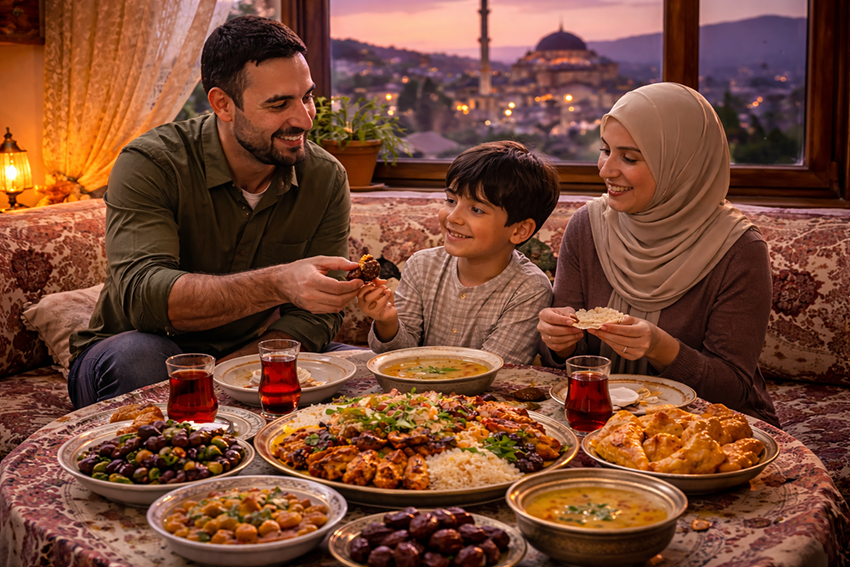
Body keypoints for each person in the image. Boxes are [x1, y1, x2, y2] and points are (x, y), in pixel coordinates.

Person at [67, 16, 364, 409]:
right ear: (223, 104)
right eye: (279, 104)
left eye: (306, 96)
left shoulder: (325, 177)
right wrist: (278, 283)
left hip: (252, 349)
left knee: (359, 367)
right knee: (140, 358)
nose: (303, 119)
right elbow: (144, 298)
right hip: (132, 347)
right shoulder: (151, 163)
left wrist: (234, 371)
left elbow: (317, 315)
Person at [537, 82, 779, 427]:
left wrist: (662, 347)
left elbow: (732, 389)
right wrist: (557, 342)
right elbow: (566, 362)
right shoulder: (587, 226)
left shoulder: (739, 249)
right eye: (605, 150)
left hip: (702, 428)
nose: (606, 170)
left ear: (682, 165)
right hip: (596, 416)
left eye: (630, 158)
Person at [357, 141, 559, 365]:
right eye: (451, 200)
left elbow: (494, 369)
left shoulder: (529, 289)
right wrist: (387, 322)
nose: (453, 217)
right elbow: (399, 357)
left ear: (520, 230)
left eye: (477, 209)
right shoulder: (421, 265)